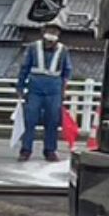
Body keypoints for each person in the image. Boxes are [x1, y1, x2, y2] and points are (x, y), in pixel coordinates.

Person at [16, 24, 70, 163]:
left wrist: (63, 90)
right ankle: (26, 150)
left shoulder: (63, 50)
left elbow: (66, 71)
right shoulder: (33, 47)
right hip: (35, 90)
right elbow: (24, 68)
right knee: (30, 120)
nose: (52, 35)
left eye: (55, 31)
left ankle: (50, 150)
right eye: (50, 31)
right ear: (43, 32)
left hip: (54, 91)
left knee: (52, 121)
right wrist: (20, 86)